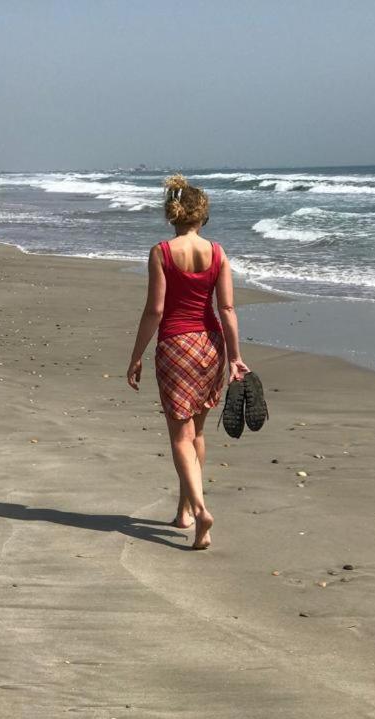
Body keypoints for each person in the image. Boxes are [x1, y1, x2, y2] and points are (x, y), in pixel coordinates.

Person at [126, 175, 249, 549]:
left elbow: (155, 310)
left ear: (171, 214)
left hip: (176, 346)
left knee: (179, 436)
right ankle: (184, 512)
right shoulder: (218, 253)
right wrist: (236, 358)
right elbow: (226, 308)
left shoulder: (162, 252)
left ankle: (200, 508)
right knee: (196, 433)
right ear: (203, 216)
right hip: (211, 346)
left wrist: (136, 356)